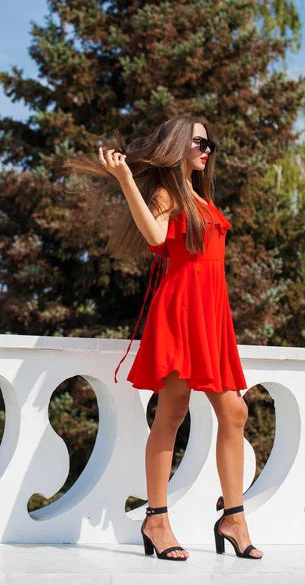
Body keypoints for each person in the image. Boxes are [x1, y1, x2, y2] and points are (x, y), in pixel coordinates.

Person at [64, 115, 263, 560]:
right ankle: (157, 519)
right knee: (171, 413)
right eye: (198, 141)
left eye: (210, 143)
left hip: (212, 316)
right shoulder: (166, 193)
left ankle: (233, 517)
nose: (206, 148)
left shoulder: (201, 196)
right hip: (181, 312)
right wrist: (123, 180)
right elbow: (154, 235)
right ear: (178, 144)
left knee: (234, 411)